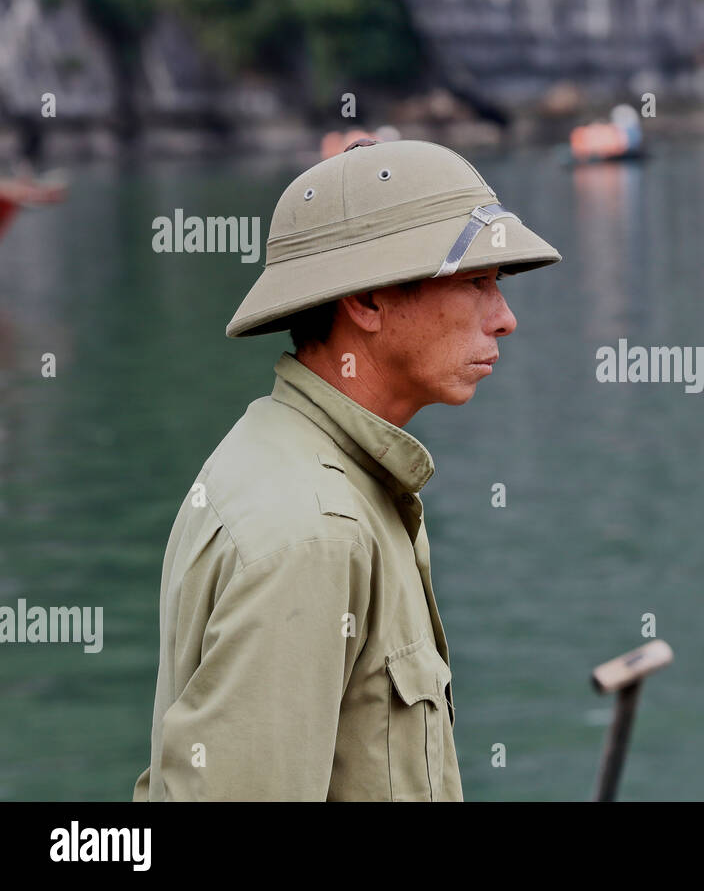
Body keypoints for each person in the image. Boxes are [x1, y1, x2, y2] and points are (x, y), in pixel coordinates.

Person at [132, 138, 561, 800]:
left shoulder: (302, 467)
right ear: (367, 300)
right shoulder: (313, 530)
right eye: (477, 281)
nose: (504, 318)